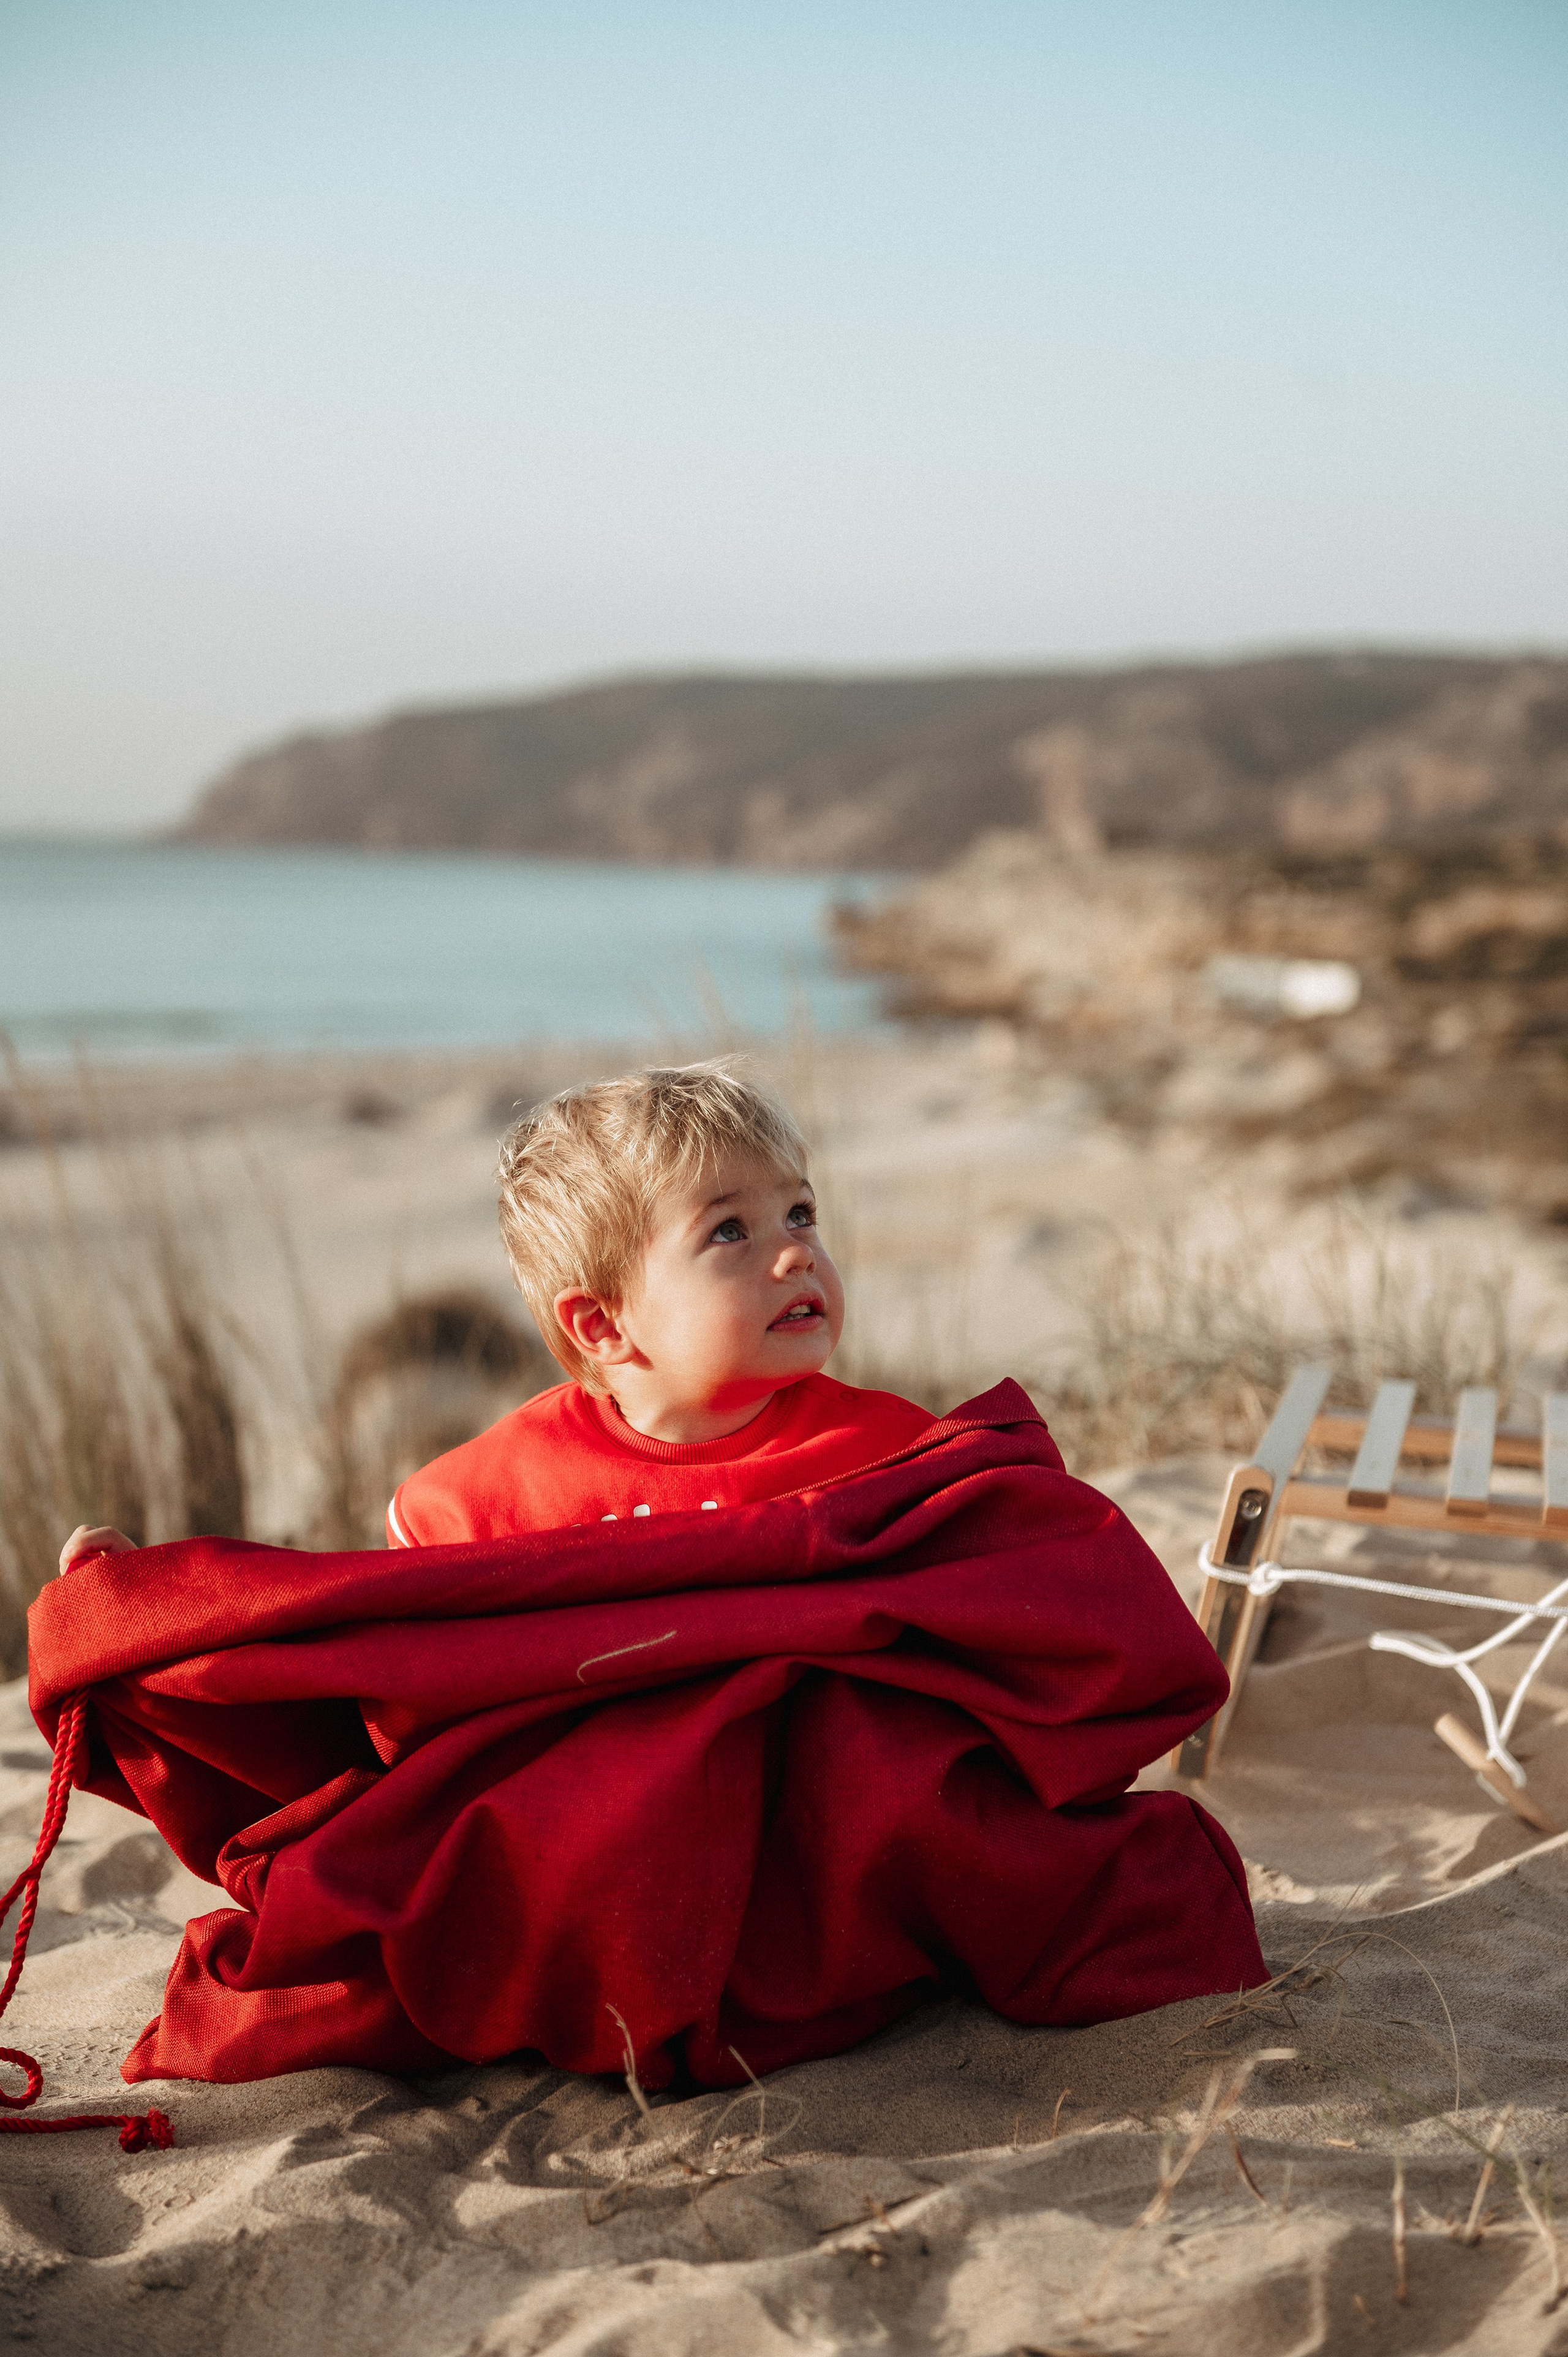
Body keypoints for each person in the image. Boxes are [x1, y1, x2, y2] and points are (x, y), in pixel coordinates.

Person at [384, 1060, 933, 1548]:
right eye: (729, 1231)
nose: (796, 1254)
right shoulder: (500, 1497)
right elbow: (423, 1542)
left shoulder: (893, 1456)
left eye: (799, 1215)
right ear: (602, 1323)